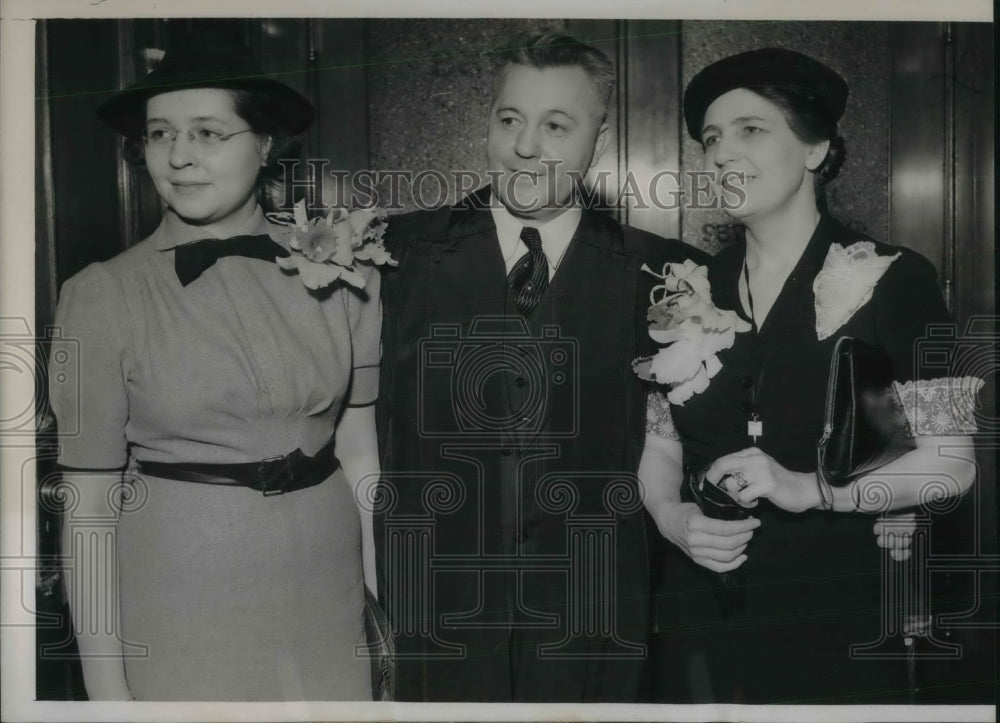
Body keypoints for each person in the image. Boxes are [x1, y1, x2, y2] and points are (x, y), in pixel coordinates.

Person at [639, 47, 981, 703]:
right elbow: (659, 447)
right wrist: (673, 516)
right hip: (696, 622)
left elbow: (951, 465)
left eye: (751, 130)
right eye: (712, 139)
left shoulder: (894, 278)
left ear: (816, 148)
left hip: (834, 620)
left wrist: (811, 487)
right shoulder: (685, 287)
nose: (722, 154)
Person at [375, 32, 707, 702]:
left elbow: (702, 429)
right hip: (435, 622)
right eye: (509, 120)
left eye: (557, 125)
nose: (526, 147)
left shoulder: (662, 274)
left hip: (592, 627)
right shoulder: (396, 256)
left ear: (600, 136)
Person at [48, 37, 381, 701]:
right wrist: (108, 694)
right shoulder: (101, 294)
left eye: (207, 132)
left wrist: (375, 601)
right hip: (179, 601)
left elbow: (359, 447)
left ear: (264, 145)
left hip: (328, 594)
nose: (178, 156)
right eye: (160, 134)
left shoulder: (349, 267)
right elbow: (86, 506)